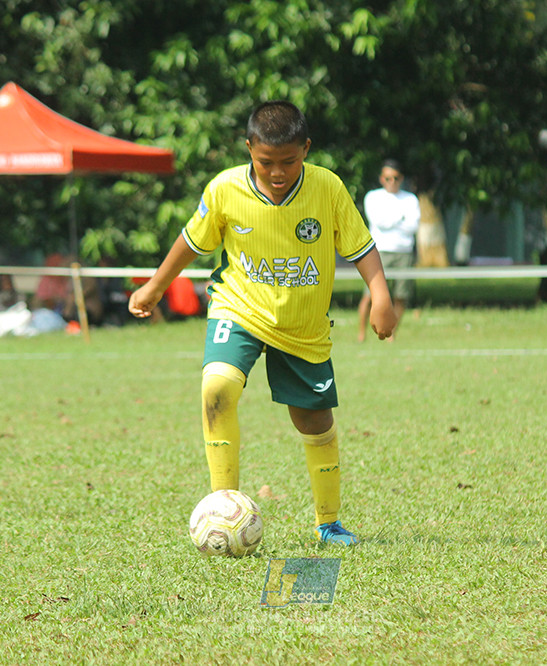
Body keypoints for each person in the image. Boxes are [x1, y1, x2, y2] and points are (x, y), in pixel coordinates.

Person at [129, 100, 397, 546]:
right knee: (217, 387)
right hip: (238, 307)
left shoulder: (327, 188)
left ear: (306, 149)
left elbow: (360, 247)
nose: (277, 172)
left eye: (289, 161)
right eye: (266, 161)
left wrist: (382, 295)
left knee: (313, 420)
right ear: (249, 147)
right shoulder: (224, 189)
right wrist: (156, 285)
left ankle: (328, 523)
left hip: (301, 323)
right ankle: (222, 505)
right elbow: (191, 241)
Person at [357, 159, 420, 342]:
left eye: (395, 178)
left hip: (404, 252)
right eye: (387, 178)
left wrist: (392, 220)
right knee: (369, 296)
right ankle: (362, 334)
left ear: (401, 179)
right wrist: (400, 218)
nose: (391, 182)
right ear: (381, 179)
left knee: (401, 297)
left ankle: (390, 334)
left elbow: (413, 226)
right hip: (378, 252)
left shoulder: (410, 199)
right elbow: (379, 222)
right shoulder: (373, 197)